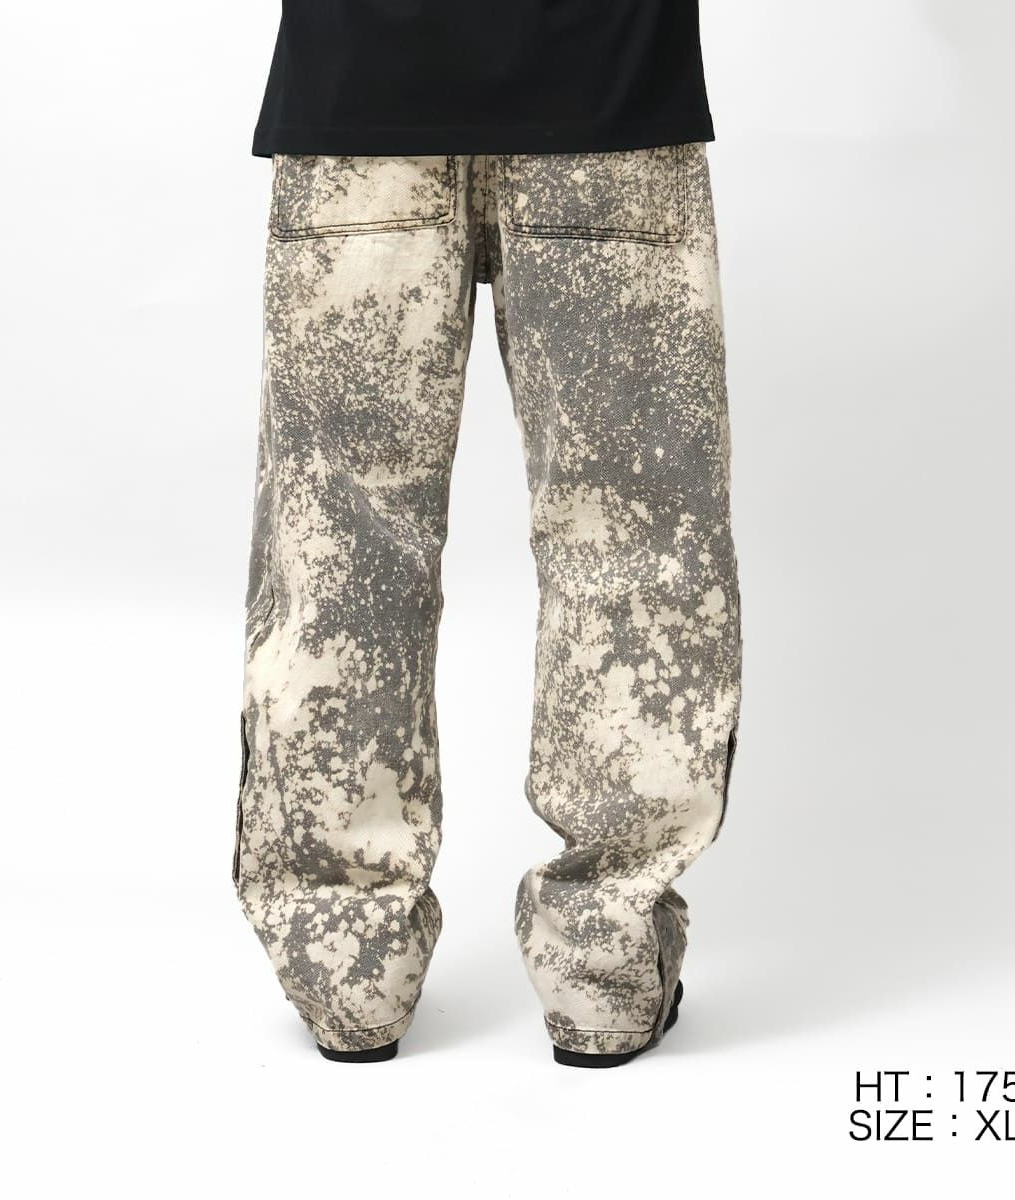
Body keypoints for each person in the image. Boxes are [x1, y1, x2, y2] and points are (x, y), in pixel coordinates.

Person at [231, 0, 742, 1069]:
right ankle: (604, 965)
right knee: (633, 542)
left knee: (339, 550)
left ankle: (349, 968)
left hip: (359, 89)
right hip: (608, 85)